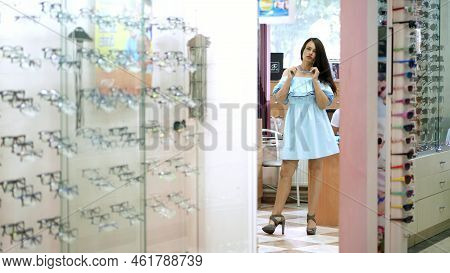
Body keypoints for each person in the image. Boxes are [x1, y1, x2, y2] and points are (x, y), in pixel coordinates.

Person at [262, 38, 339, 236]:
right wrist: (289, 78)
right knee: (286, 170)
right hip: (295, 127)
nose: (310, 52)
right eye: (308, 48)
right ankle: (276, 215)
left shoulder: (320, 78)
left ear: (318, 55)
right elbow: (279, 98)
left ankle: (312, 217)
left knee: (315, 170)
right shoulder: (290, 72)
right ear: (302, 51)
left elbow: (324, 105)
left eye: (314, 50)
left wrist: (314, 81)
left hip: (316, 128)